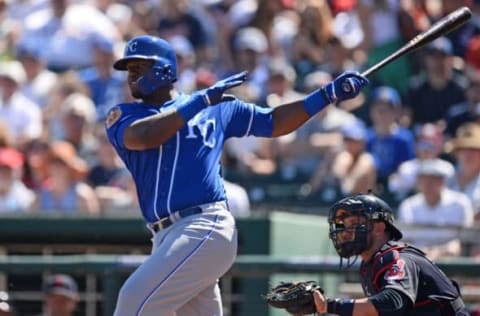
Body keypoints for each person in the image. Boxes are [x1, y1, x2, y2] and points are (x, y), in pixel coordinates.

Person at [105, 34, 368, 315]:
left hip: (203, 225)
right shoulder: (125, 114)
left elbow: (273, 121)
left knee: (133, 300)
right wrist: (201, 101)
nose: (131, 75)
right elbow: (146, 136)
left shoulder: (216, 109)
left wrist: (325, 96)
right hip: (164, 237)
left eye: (138, 67)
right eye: (128, 69)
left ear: (165, 69)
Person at [307, 193, 469, 315]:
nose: (346, 232)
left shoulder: (399, 259)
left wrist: (330, 305)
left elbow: (393, 302)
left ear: (379, 228)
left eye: (355, 224)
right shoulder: (370, 263)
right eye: (345, 225)